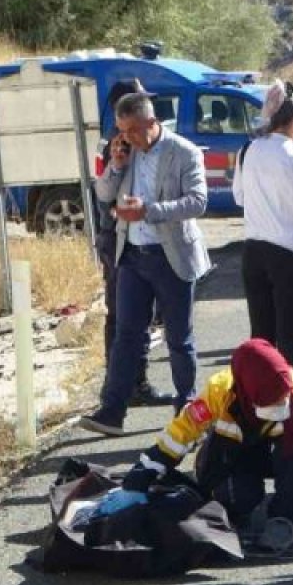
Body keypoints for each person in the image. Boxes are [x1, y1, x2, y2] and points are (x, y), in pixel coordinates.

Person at [95, 339, 293, 551]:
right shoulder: (219, 391)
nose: (279, 404)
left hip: (278, 456)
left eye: (281, 397)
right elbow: (178, 436)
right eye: (269, 400)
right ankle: (233, 508)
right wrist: (137, 481)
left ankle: (284, 516)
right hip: (231, 455)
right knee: (239, 500)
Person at [78, 92, 210, 436]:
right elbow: (104, 193)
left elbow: (197, 202)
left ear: (152, 123)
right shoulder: (126, 152)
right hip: (132, 255)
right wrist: (117, 164)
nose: (128, 138)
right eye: (122, 132)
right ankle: (112, 411)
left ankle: (186, 410)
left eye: (133, 131)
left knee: (179, 337)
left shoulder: (184, 152)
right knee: (126, 335)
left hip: (171, 256)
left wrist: (149, 211)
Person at [233, 80, 293, 370]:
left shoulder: (247, 151)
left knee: (261, 340)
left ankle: (258, 406)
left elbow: (239, 197)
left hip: (254, 253)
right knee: (290, 342)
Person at [96, 79, 172, 407]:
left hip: (113, 236)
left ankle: (118, 384)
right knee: (129, 319)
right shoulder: (121, 147)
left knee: (122, 317)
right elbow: (108, 197)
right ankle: (130, 385)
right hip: (121, 238)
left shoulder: (113, 143)